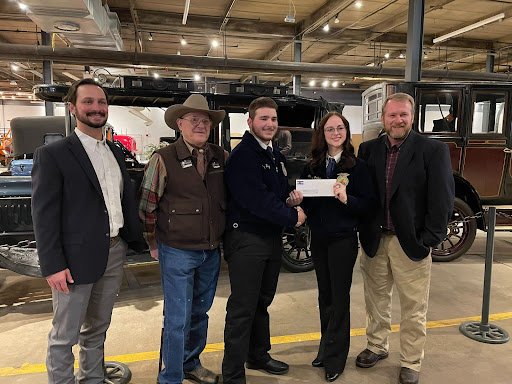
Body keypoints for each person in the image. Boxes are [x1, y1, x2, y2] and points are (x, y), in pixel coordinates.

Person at [31, 78, 145, 384]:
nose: (96, 108)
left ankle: (92, 379)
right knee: (64, 335)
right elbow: (44, 216)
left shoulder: (114, 152)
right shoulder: (53, 154)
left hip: (113, 251)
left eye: (101, 102)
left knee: (97, 329)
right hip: (73, 259)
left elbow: (120, 202)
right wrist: (53, 265)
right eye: (88, 102)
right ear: (72, 107)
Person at [356, 93, 455, 384]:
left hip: (410, 242)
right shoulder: (368, 149)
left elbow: (442, 199)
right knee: (375, 300)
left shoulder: (432, 150)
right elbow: (362, 193)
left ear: (412, 117)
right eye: (392, 115)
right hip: (375, 239)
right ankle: (377, 345)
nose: (398, 120)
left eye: (403, 115)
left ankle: (411, 360)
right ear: (383, 119)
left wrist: (429, 238)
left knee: (413, 308)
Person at [138, 94, 227, 384]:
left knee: (200, 313)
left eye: (205, 121)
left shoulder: (220, 156)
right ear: (180, 124)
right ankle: (170, 377)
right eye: (194, 120)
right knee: (177, 319)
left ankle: (191, 363)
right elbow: (147, 205)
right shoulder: (162, 159)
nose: (201, 125)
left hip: (211, 252)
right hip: (176, 251)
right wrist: (153, 244)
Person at [222, 96, 306, 384]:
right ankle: (233, 374)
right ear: (250, 122)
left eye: (273, 119)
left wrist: (289, 200)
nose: (269, 124)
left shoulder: (274, 155)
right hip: (246, 239)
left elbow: (272, 196)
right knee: (242, 308)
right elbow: (255, 201)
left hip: (269, 238)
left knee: (261, 302)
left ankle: (258, 354)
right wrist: (291, 216)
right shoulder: (244, 155)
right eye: (263, 119)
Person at [299, 112, 376, 382]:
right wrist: (297, 201)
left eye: (340, 128)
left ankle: (336, 358)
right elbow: (307, 204)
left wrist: (347, 199)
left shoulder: (358, 167)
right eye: (330, 129)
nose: (335, 133)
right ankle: (325, 346)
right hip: (319, 239)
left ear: (346, 131)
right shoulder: (312, 167)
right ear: (322, 133)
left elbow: (368, 205)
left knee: (340, 300)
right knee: (325, 297)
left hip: (343, 240)